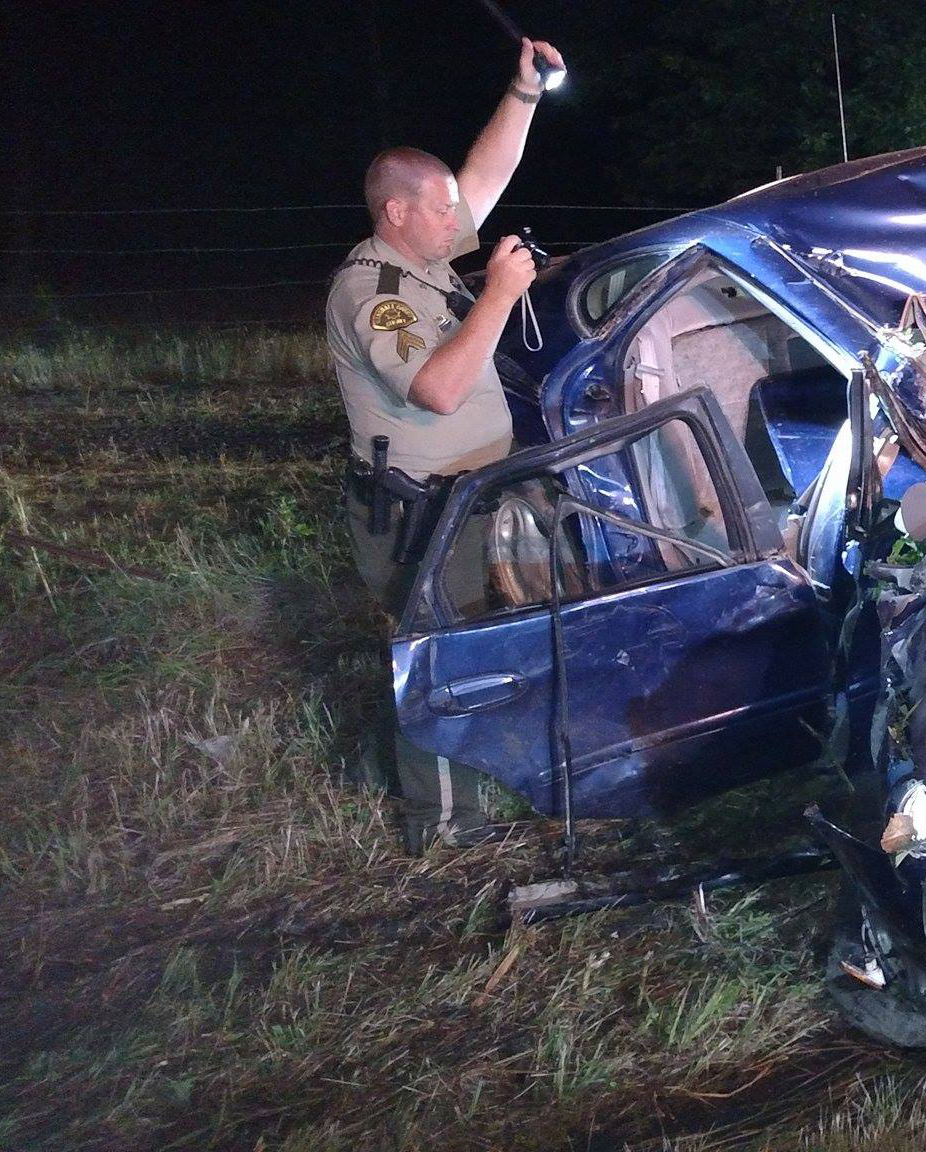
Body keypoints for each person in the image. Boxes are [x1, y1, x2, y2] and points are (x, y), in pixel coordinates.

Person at [325, 37, 563, 851]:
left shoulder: (424, 262)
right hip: (422, 513)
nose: (456, 220)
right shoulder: (374, 291)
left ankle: (449, 784)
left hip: (470, 496)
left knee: (476, 641)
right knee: (443, 657)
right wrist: (498, 292)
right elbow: (437, 388)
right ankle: (446, 833)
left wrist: (523, 94)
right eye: (440, 209)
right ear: (397, 213)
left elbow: (484, 177)